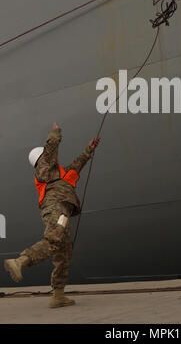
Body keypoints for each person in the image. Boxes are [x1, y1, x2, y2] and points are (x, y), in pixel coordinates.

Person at [4, 122, 100, 308]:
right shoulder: (44, 169)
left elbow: (77, 163)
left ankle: (58, 295)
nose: (50, 157)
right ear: (41, 159)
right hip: (55, 207)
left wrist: (89, 149)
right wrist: (55, 132)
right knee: (54, 239)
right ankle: (20, 261)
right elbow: (50, 149)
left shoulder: (62, 174)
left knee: (64, 253)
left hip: (62, 210)